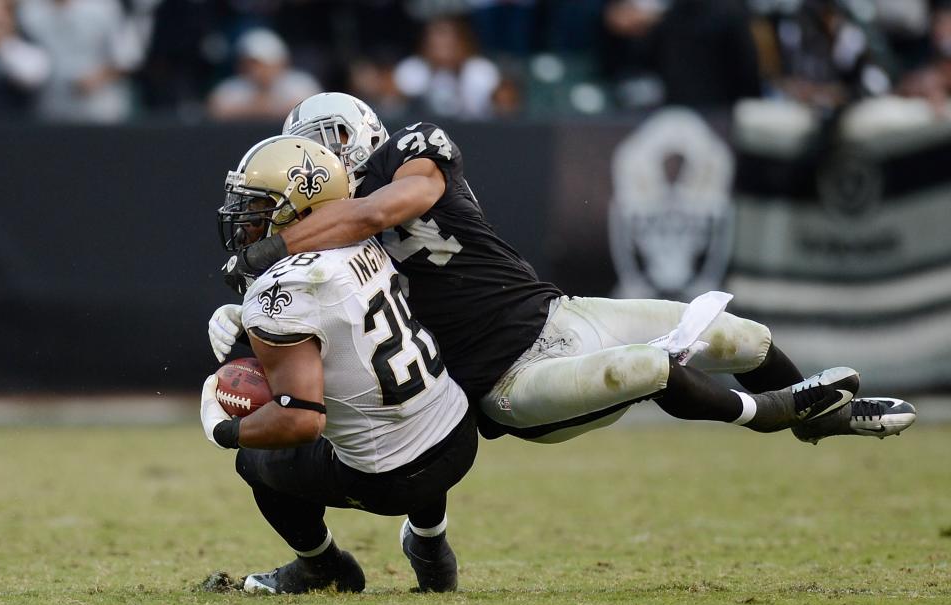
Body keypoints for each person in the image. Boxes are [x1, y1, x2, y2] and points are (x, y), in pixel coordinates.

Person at [210, 92, 916, 447]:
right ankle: (768, 414)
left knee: (745, 337)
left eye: (325, 147)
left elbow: (400, 203)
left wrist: (279, 246)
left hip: (555, 313)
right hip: (504, 382)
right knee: (648, 367)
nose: (322, 166)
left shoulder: (401, 162)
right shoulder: (316, 248)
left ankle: (822, 417)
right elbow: (293, 323)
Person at [200, 136, 477, 594]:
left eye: (257, 206)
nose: (244, 219)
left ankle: (323, 568)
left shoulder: (281, 296)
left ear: (301, 210)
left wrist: (224, 431)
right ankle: (431, 546)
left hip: (392, 477)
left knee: (255, 458)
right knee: (403, 414)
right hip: (457, 434)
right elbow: (336, 318)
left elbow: (300, 418)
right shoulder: (366, 237)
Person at [207, 28, 321, 122]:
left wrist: (262, 108)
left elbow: (315, 112)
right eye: (251, 64)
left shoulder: (301, 84)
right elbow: (216, 112)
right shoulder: (229, 89)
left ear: (281, 62)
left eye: (263, 64)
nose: (258, 70)